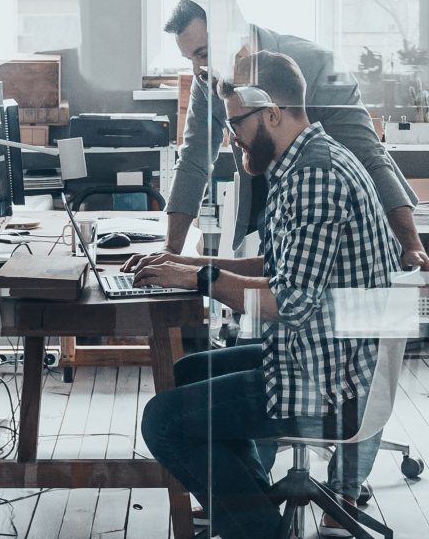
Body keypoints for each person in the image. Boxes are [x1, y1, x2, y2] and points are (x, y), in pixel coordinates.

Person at [136, 51, 401, 539]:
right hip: (328, 354)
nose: (229, 134)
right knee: (185, 373)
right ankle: (256, 516)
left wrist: (196, 282)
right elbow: (280, 266)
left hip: (331, 381)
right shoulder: (304, 162)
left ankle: (255, 528)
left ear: (272, 114)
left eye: (235, 121)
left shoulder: (315, 177)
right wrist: (189, 264)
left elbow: (289, 302)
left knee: (164, 420)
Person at [126, 0, 428, 270]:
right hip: (267, 212)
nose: (196, 70)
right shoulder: (208, 80)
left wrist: (411, 244)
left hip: (334, 213)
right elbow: (193, 159)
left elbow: (369, 155)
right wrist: (171, 251)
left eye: (203, 54)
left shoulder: (316, 65)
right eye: (188, 58)